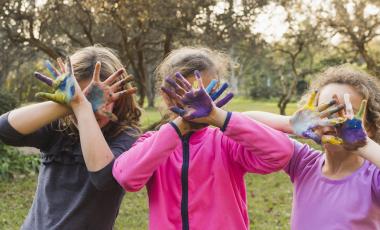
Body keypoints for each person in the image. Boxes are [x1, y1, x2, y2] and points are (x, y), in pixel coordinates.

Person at [112, 47, 294, 229]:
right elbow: (126, 177)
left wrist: (219, 117)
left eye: (207, 94)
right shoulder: (154, 143)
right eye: (188, 93)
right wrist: (181, 125)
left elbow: (281, 152)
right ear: (167, 97)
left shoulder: (225, 141)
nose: (199, 102)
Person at [0, 46, 141, 230]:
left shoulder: (127, 136)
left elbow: (104, 178)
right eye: (82, 96)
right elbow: (5, 130)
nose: (90, 106)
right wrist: (71, 103)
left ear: (119, 97)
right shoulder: (60, 127)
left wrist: (81, 107)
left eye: (101, 97)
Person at [244, 65, 380, 229]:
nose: (335, 122)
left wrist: (364, 144)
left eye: (348, 113)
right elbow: (243, 123)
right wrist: (290, 124)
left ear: (371, 127)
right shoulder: (303, 162)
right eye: (325, 112)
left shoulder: (373, 178)